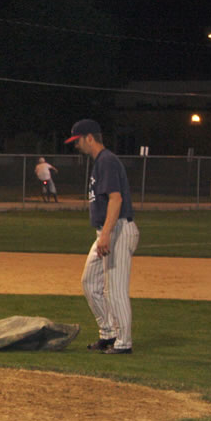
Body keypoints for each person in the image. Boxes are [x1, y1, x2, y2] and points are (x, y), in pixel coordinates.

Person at [65, 119, 139, 355]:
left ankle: (124, 343)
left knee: (114, 290)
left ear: (89, 138)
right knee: (89, 283)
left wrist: (106, 234)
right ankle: (109, 333)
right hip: (107, 230)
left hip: (117, 229)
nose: (76, 145)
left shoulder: (107, 161)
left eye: (77, 140)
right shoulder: (100, 162)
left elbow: (116, 199)